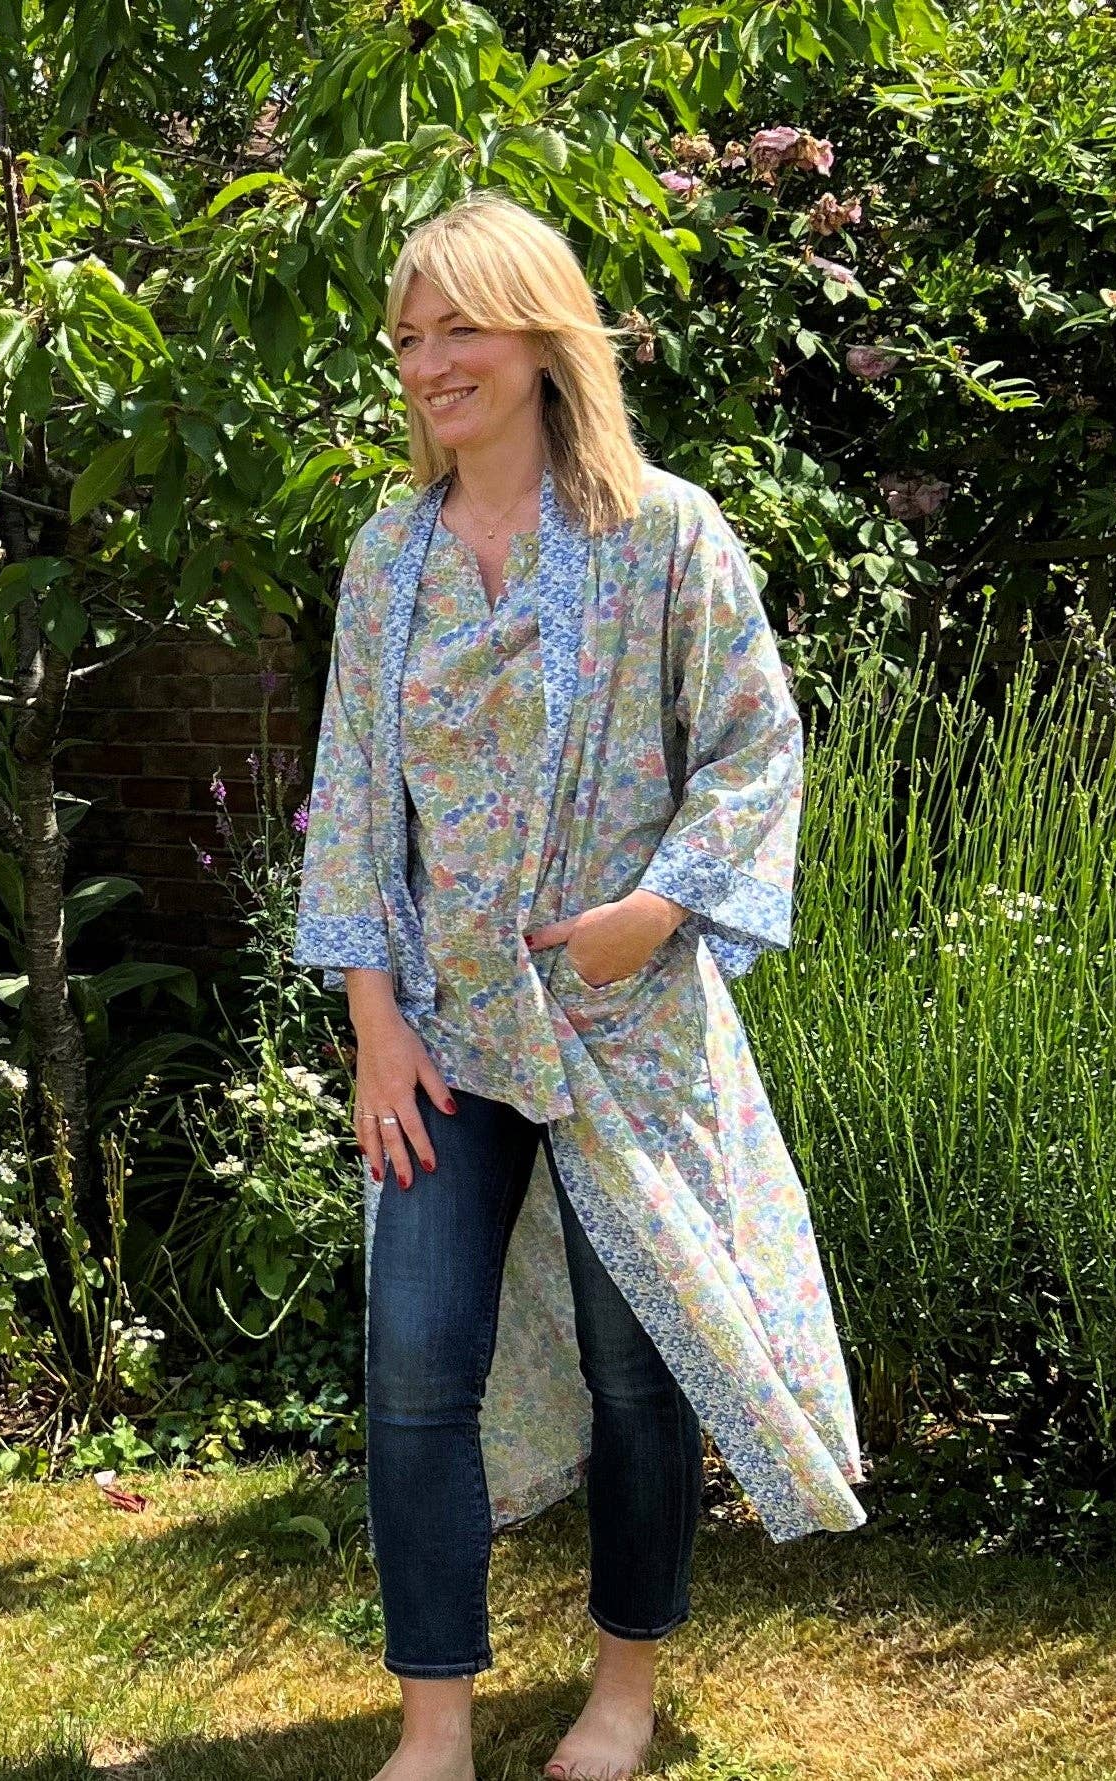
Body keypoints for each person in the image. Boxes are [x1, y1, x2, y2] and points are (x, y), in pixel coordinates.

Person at [292, 190, 867, 1781]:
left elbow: (754, 745)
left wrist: (662, 907)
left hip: (627, 1022)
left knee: (636, 1365)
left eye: (459, 327)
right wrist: (373, 1023)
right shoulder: (389, 557)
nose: (428, 362)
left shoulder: (664, 532)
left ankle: (624, 1690)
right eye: (408, 336)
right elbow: (353, 803)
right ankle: (435, 1725)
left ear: (543, 338)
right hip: (447, 1032)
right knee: (416, 1364)